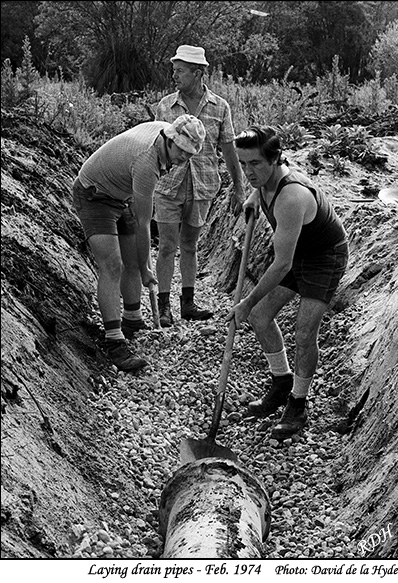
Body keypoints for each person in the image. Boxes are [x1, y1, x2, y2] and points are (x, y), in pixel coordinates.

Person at [228, 126, 349, 440]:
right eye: (242, 164)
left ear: (274, 159)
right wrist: (255, 195)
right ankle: (281, 382)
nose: (248, 171)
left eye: (254, 164)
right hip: (297, 251)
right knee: (260, 317)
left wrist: (247, 300)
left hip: (324, 256)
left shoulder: (291, 197)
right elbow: (264, 179)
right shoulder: (265, 179)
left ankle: (298, 401)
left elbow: (281, 264)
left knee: (304, 331)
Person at [72, 115, 206, 372]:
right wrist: (147, 269)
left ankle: (132, 319)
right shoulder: (147, 162)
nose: (184, 159)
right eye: (182, 151)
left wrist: (142, 263)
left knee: (132, 260)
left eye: (190, 154)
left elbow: (141, 221)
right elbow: (146, 222)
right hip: (94, 195)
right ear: (170, 140)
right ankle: (114, 342)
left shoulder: (163, 134)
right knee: (113, 265)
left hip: (123, 194)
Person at [154, 45, 245, 327]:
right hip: (168, 186)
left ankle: (188, 303)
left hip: (203, 186)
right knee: (167, 245)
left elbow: (229, 150)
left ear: (198, 73)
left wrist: (239, 189)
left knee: (190, 245)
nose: (175, 76)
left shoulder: (220, 107)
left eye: (180, 71)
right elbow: (154, 148)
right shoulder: (165, 106)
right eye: (174, 70)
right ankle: (164, 305)